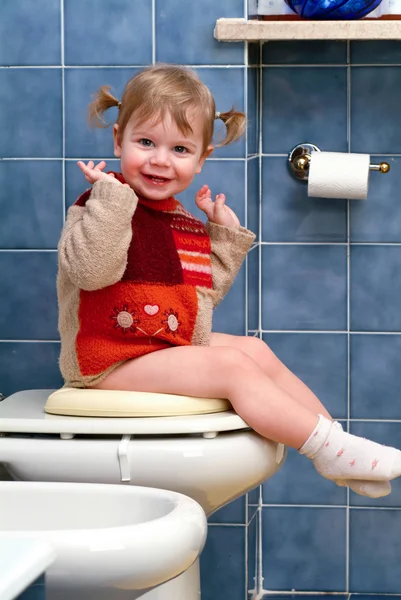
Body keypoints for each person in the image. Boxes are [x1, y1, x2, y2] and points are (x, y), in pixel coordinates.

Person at [58, 63, 401, 499]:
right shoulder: (97, 206)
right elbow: (92, 270)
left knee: (253, 349)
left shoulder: (179, 222)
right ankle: (328, 449)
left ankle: (336, 444)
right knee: (232, 367)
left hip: (156, 345)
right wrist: (111, 199)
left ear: (202, 160)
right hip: (106, 359)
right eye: (145, 142)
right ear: (118, 140)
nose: (160, 160)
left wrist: (221, 239)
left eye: (180, 149)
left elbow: (197, 305)